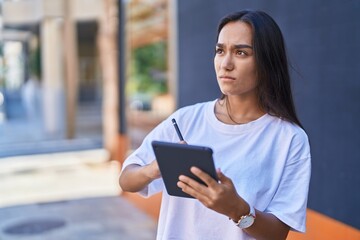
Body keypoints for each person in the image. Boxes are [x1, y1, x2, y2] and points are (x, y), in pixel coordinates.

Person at [119, 10, 311, 240]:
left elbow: (278, 234)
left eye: (241, 52)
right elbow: (126, 180)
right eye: (220, 51)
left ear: (267, 61)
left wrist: (237, 209)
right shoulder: (185, 120)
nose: (226, 64)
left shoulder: (289, 139)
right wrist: (153, 169)